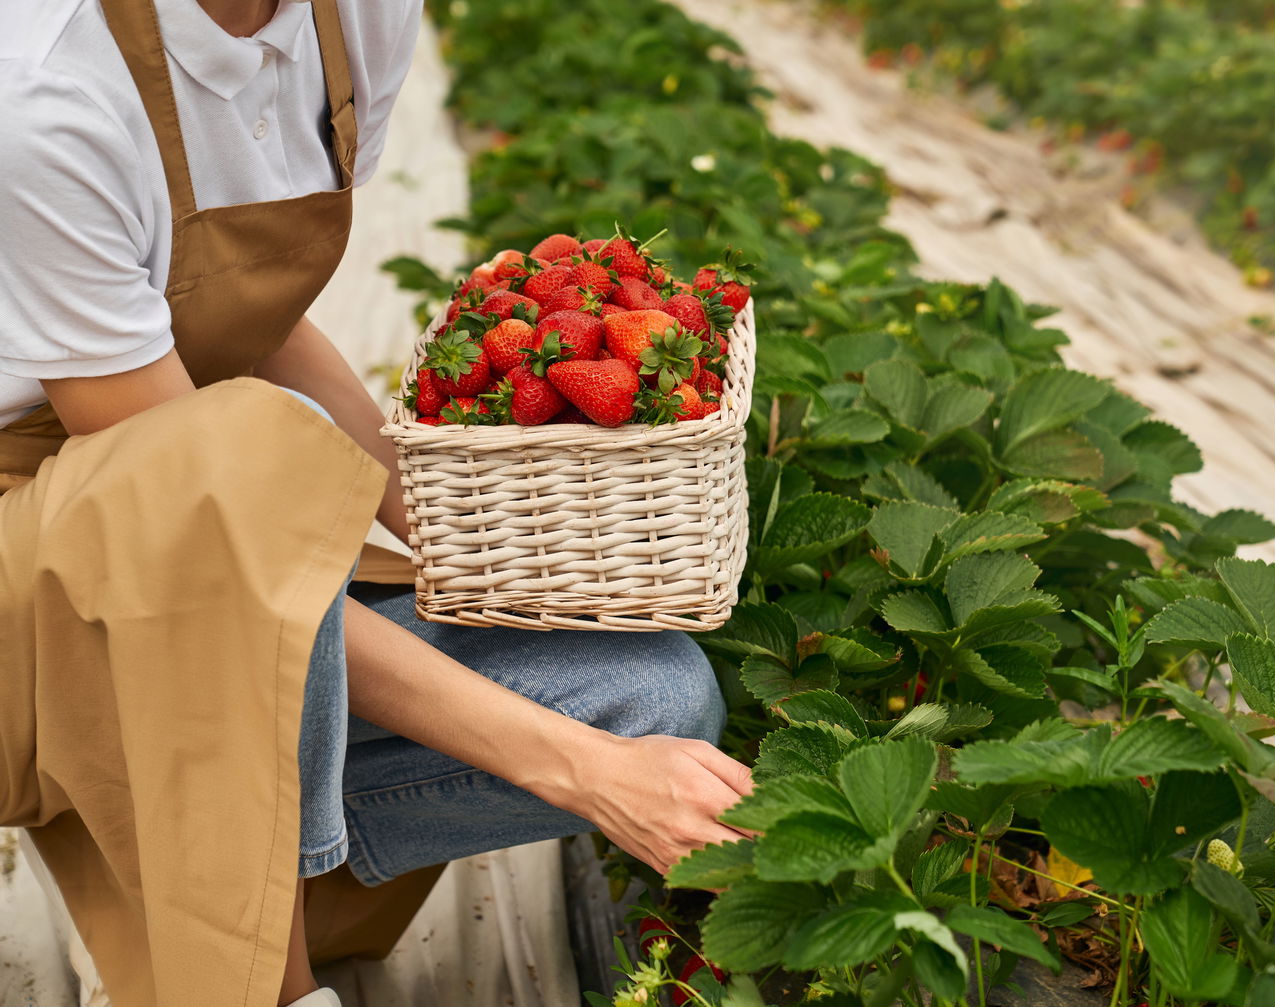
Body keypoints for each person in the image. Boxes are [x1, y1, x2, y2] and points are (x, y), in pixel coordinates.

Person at [0, 2, 752, 1005]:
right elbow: (198, 520)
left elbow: (249, 319)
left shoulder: (355, 17)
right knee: (244, 455)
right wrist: (583, 770)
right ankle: (242, 972)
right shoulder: (46, 94)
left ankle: (213, 895)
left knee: (650, 696)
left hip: (213, 509)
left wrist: (459, 551)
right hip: (43, 583)